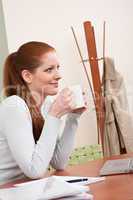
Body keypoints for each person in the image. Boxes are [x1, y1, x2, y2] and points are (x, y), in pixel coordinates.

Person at [0, 41, 87, 185]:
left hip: (26, 188)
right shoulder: (14, 106)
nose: (59, 75)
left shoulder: (46, 105)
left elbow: (59, 162)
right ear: (28, 76)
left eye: (58, 68)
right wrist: (55, 115)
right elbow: (34, 171)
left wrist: (73, 117)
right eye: (49, 70)